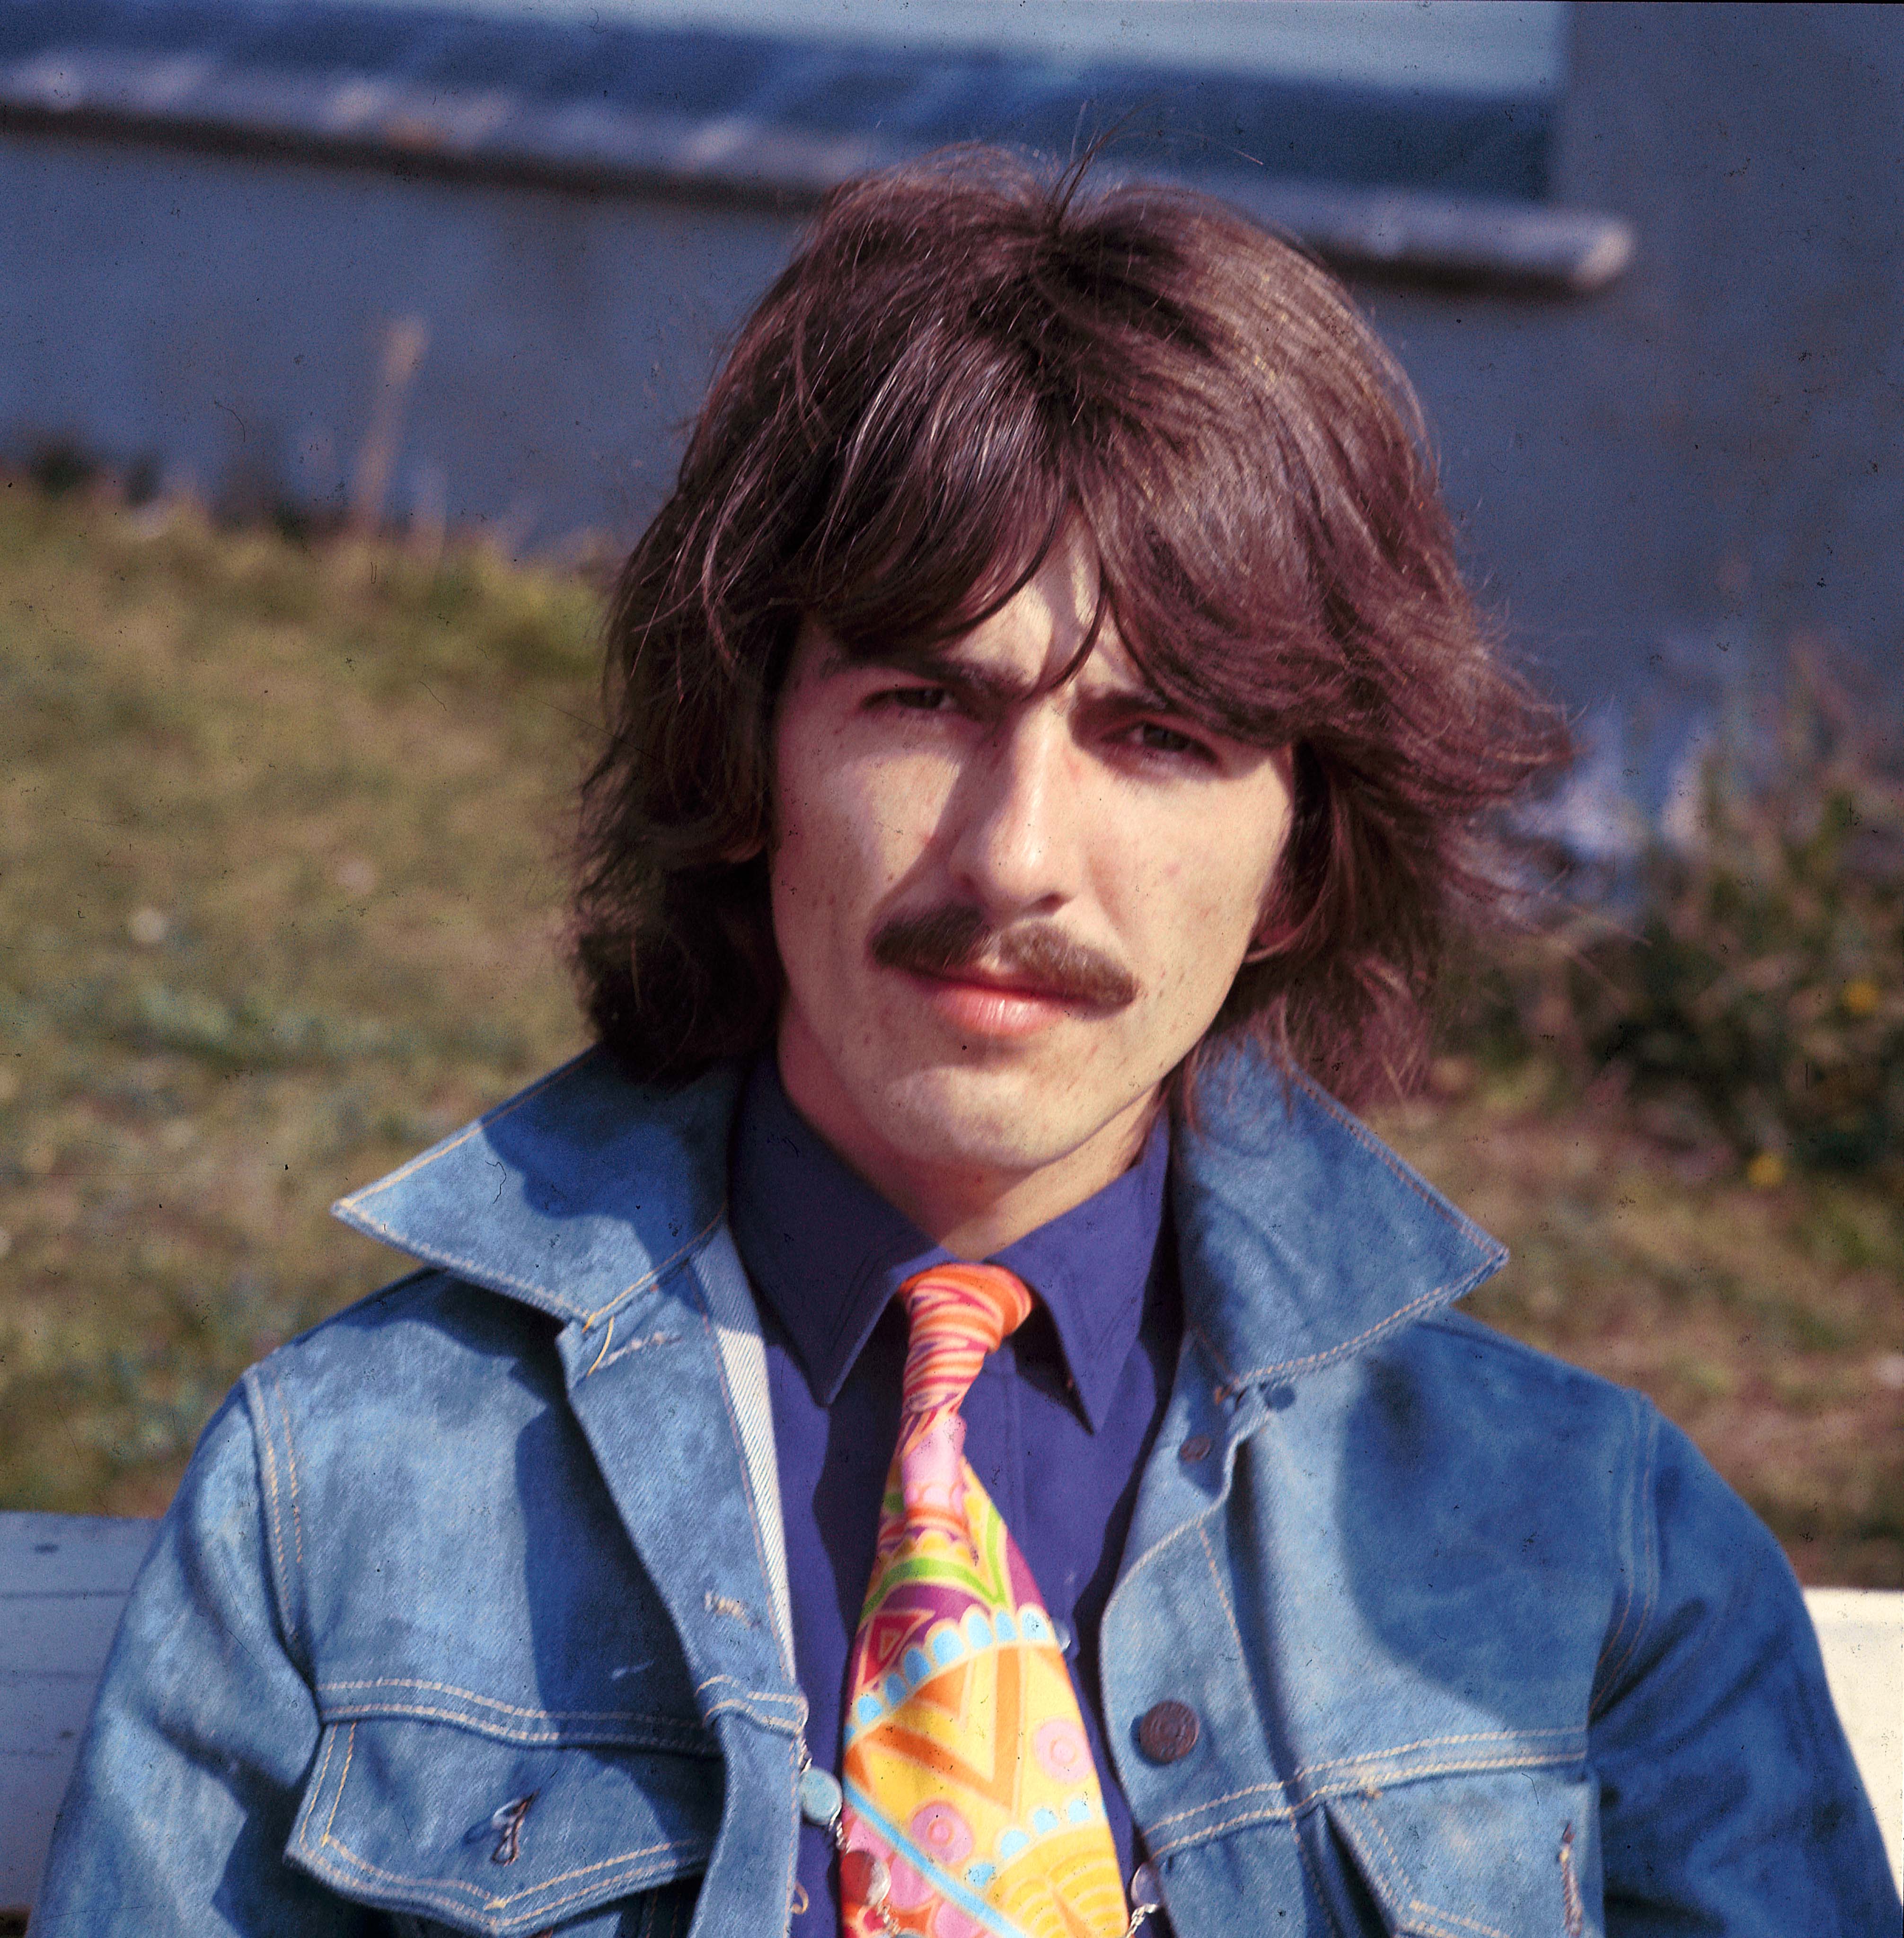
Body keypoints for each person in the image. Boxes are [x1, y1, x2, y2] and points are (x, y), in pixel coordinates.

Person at [33, 152, 1894, 1938]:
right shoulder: (338, 1496)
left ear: (1304, 864)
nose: (1012, 858)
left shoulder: (1595, 1551)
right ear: (746, 754)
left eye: (1158, 735)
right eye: (923, 697)